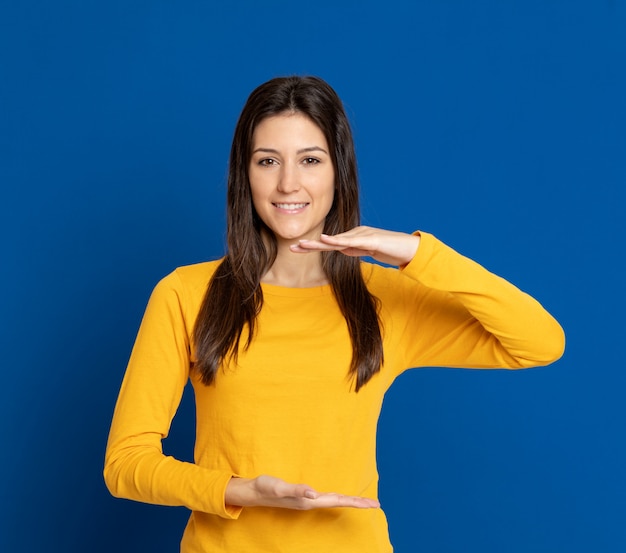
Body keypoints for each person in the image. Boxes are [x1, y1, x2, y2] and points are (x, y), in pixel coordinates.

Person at [104, 75, 565, 552]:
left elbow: (540, 342)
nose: (288, 183)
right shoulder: (186, 294)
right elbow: (125, 464)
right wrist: (236, 489)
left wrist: (415, 252)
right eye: (268, 161)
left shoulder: (387, 300)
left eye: (310, 160)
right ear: (244, 173)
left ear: (338, 171)